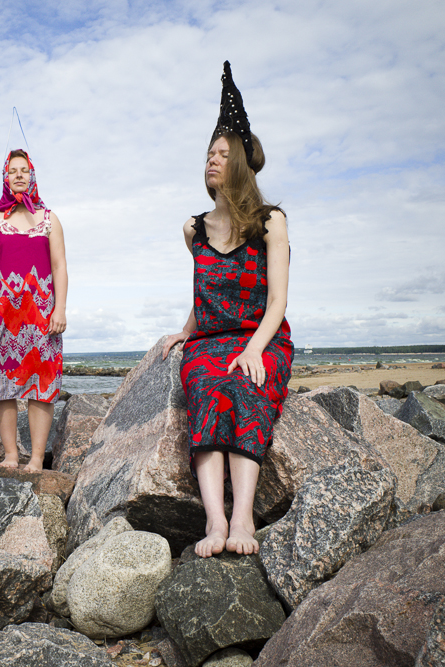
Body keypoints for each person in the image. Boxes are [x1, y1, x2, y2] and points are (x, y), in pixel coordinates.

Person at [162, 62, 294, 558]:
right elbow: (205, 292)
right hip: (210, 340)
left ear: (239, 162)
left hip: (261, 336)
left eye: (221, 154)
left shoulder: (270, 221)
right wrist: (184, 331)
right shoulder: (193, 229)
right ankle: (215, 520)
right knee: (205, 384)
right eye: (208, 154)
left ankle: (243, 518)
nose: (211, 161)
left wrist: (256, 350)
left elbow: (277, 300)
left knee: (243, 384)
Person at [0, 149, 68, 473]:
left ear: (32, 176)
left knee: (43, 385)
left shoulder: (50, 219)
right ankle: (11, 455)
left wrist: (60, 309)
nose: (18, 175)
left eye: (24, 170)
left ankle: (38, 458)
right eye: (12, 171)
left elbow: (59, 267)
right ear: (5, 177)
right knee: (2, 385)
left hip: (41, 317)